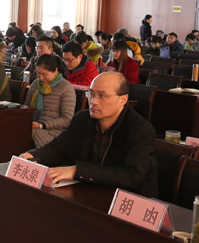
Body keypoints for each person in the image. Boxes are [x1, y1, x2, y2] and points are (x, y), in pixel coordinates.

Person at [20, 72, 158, 197]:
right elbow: (59, 147)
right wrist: (33, 156)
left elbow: (132, 176)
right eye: (91, 94)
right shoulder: (82, 119)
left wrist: (77, 171)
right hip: (89, 190)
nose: (93, 101)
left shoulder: (140, 130)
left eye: (102, 96)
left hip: (126, 200)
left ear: (123, 100)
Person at [24, 54, 76, 147]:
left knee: (27, 133)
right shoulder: (35, 84)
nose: (41, 78)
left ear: (55, 71)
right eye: (38, 73)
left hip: (55, 131)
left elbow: (67, 119)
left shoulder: (65, 88)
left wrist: (42, 125)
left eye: (44, 74)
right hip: (33, 125)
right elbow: (26, 108)